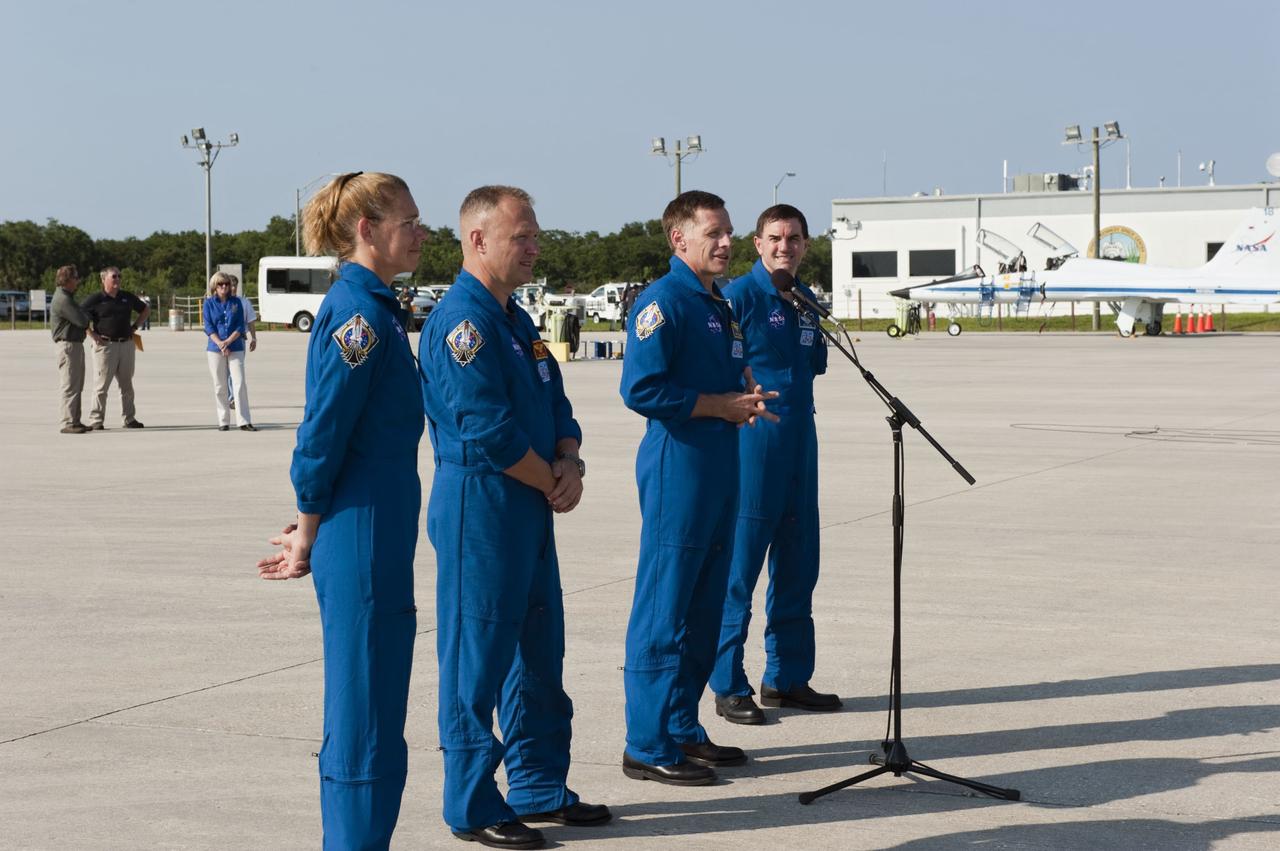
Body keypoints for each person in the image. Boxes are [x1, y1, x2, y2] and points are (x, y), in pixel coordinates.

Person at [418, 186, 609, 849]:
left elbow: (555, 400)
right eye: (520, 237)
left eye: (535, 236)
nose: (533, 248)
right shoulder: (460, 324)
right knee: (476, 659)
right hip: (483, 503)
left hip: (530, 497)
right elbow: (486, 430)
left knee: (537, 651)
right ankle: (471, 803)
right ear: (477, 240)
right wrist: (550, 478)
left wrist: (570, 459)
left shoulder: (516, 320)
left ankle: (535, 783)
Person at [257, 172, 427, 850]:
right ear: (367, 229)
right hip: (358, 531)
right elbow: (321, 435)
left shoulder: (380, 307)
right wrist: (308, 531)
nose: (420, 230)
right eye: (408, 220)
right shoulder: (356, 313)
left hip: (379, 526)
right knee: (362, 710)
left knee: (382, 704)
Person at [618, 190, 778, 786]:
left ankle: (682, 726)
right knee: (666, 608)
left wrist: (745, 394)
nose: (726, 243)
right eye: (714, 232)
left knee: (705, 605)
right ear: (678, 239)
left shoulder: (720, 305)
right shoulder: (663, 303)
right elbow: (642, 390)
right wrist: (719, 404)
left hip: (721, 463)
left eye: (730, 232)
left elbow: (724, 375)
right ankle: (647, 740)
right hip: (678, 466)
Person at [710, 204, 840, 726]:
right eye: (774, 238)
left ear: (806, 245)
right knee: (740, 567)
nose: (784, 247)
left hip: (800, 442)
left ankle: (786, 678)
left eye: (793, 239)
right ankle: (728, 681)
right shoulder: (738, 297)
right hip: (756, 442)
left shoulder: (806, 301)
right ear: (758, 245)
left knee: (798, 560)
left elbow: (814, 366)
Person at [81, 267, 149, 429]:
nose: (118, 279)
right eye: (114, 276)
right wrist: (91, 334)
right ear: (104, 279)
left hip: (126, 344)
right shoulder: (96, 299)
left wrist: (134, 327)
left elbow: (145, 310)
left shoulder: (127, 297)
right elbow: (79, 315)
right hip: (105, 346)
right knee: (101, 385)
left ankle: (129, 418)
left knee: (126, 385)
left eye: (119, 276)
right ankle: (96, 420)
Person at [202, 271, 255, 431]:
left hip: (235, 346)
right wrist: (220, 343)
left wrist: (228, 342)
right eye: (221, 284)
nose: (225, 286)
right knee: (220, 385)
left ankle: (244, 420)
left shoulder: (237, 302)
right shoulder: (209, 304)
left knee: (239, 383)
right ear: (214, 287)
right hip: (215, 348)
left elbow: (240, 325)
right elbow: (208, 326)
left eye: (226, 284)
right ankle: (223, 421)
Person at [50, 265, 91, 434]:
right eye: (75, 277)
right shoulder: (64, 299)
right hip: (68, 345)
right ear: (67, 280)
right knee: (70, 385)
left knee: (77, 385)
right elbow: (82, 321)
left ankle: (75, 420)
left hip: (74, 344)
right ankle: (68, 422)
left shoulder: (66, 296)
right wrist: (87, 314)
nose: (78, 281)